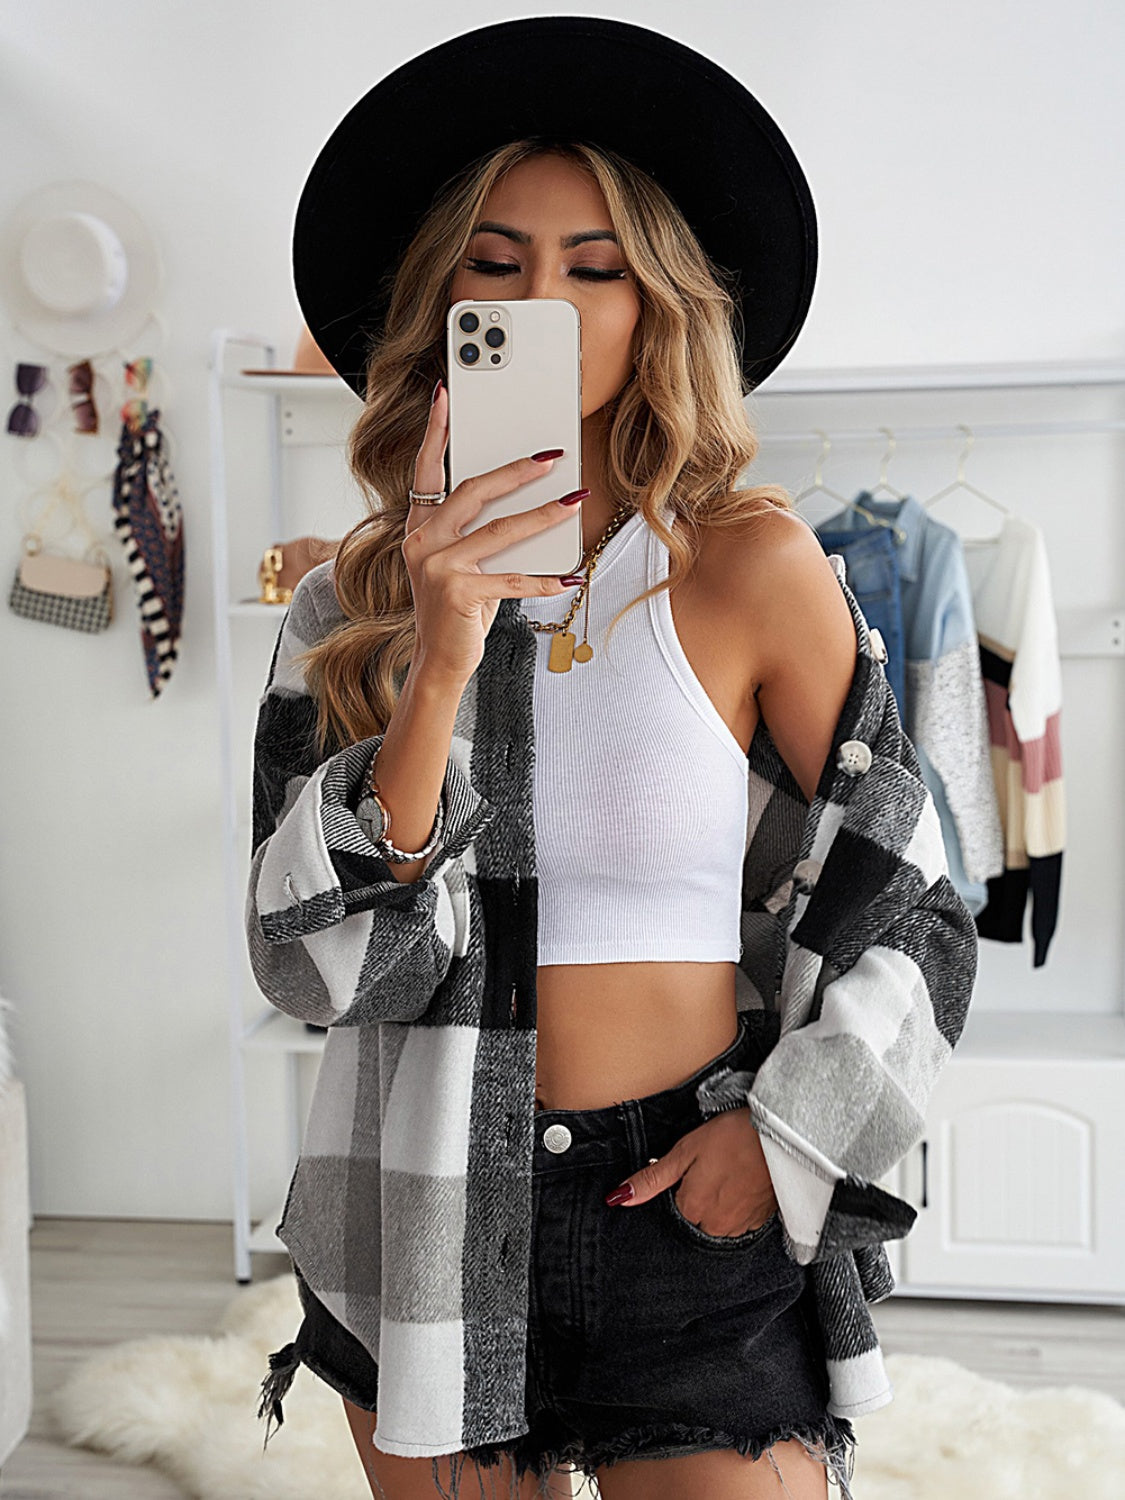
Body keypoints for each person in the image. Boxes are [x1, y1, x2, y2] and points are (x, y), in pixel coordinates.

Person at [248, 18, 978, 1500]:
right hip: (423, 1204)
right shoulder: (346, 607)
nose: (543, 302)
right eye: (496, 264)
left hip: (688, 1195)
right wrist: (440, 657)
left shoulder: (751, 565)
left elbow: (916, 905)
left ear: (658, 307)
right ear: (443, 304)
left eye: (596, 268)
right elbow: (315, 970)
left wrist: (782, 1136)